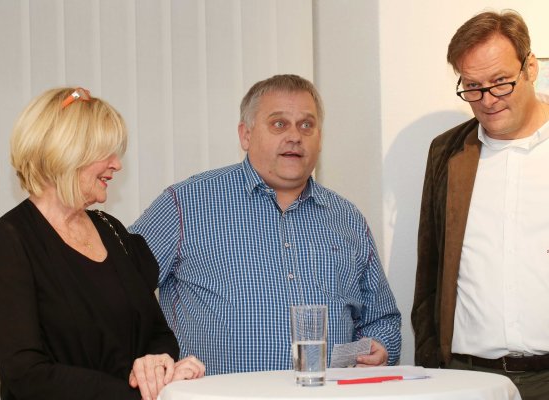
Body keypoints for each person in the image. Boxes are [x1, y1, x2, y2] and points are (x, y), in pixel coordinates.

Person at [130, 74, 401, 375]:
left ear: (320, 138)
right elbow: (116, 291)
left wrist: (380, 346)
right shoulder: (185, 204)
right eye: (279, 124)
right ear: (245, 135)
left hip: (324, 394)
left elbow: (383, 320)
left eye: (306, 125)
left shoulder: (347, 218)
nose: (295, 136)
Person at [0, 87, 204, 400]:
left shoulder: (112, 230)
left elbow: (157, 333)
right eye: (105, 152)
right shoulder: (7, 239)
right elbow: (28, 375)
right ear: (66, 154)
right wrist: (137, 395)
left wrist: (156, 367)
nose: (117, 164)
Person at [412, 10, 549, 399]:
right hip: (468, 378)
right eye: (473, 86)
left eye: (501, 82)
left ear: (531, 68)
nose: (487, 100)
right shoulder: (447, 153)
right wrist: (432, 367)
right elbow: (429, 271)